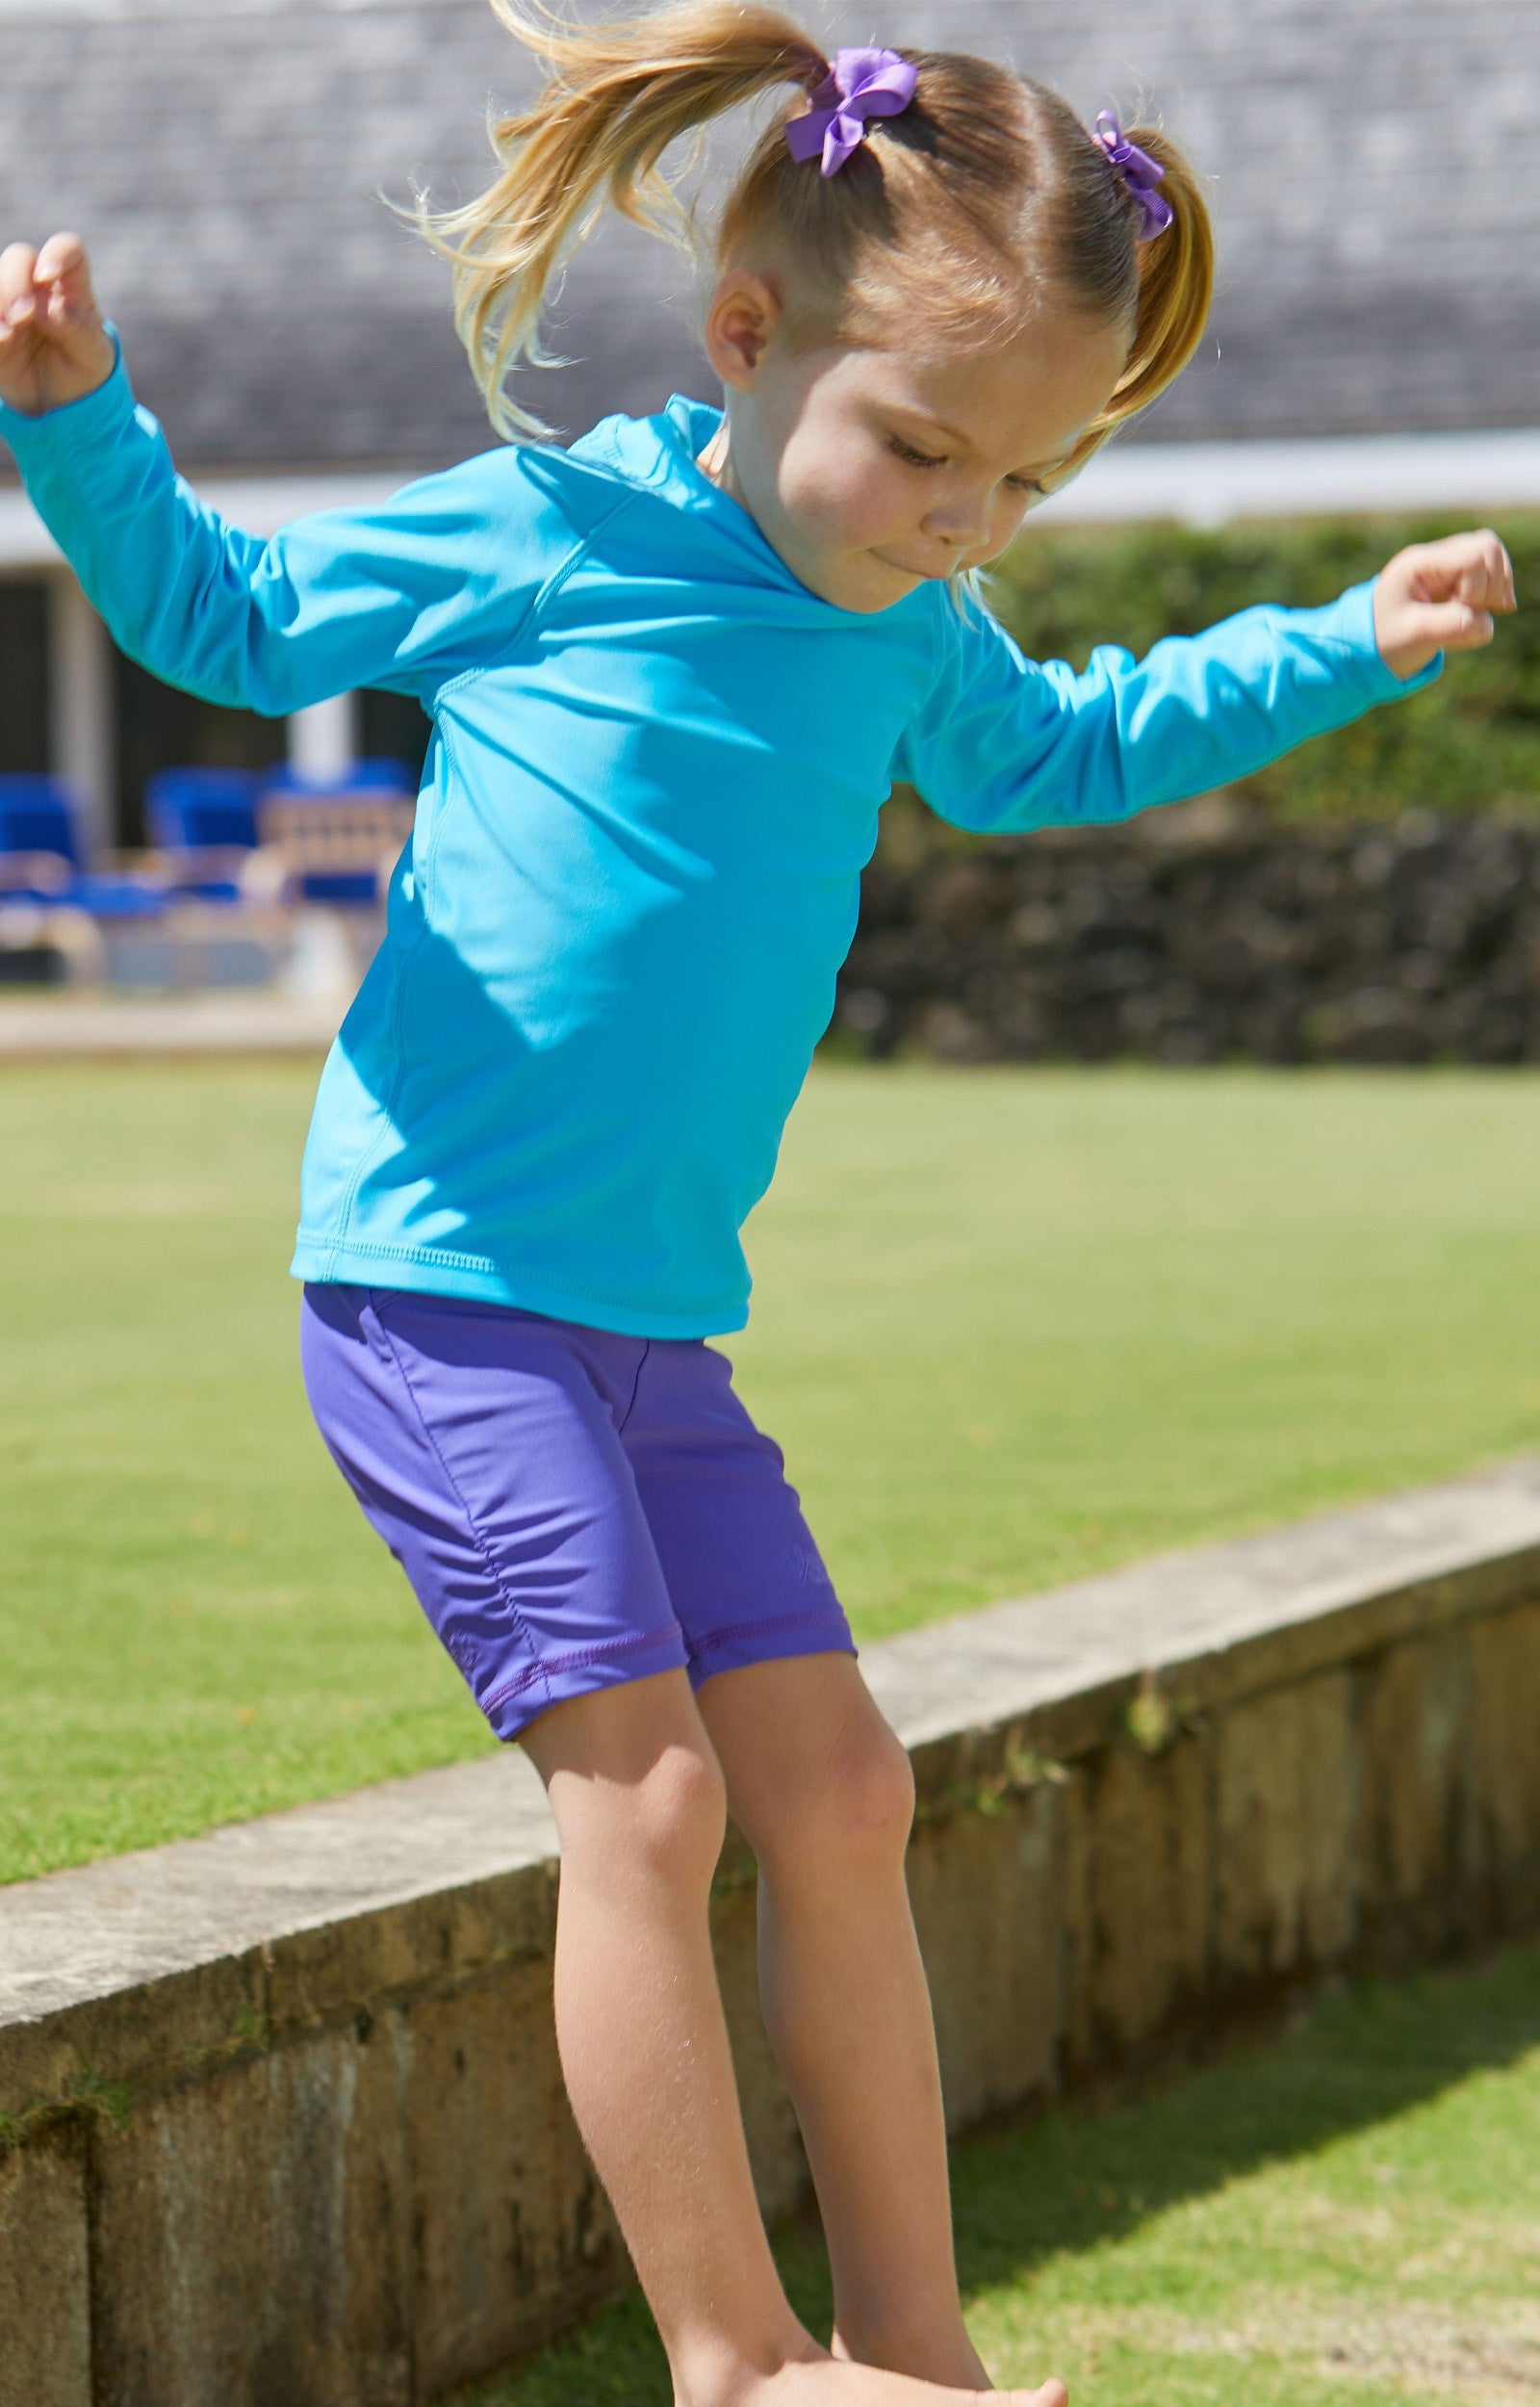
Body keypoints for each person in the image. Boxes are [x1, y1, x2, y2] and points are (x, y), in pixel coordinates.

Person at [0, 7, 1514, 2402]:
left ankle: (900, 2344)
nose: (956, 519)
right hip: (439, 1300)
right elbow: (228, 625)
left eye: (1017, 485)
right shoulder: (558, 528)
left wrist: (1338, 641)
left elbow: (1068, 744)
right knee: (657, 1792)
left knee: (841, 1786)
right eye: (923, 448)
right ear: (742, 335)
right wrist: (72, 409)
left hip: (646, 1337)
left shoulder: (907, 624)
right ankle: (735, 2358)